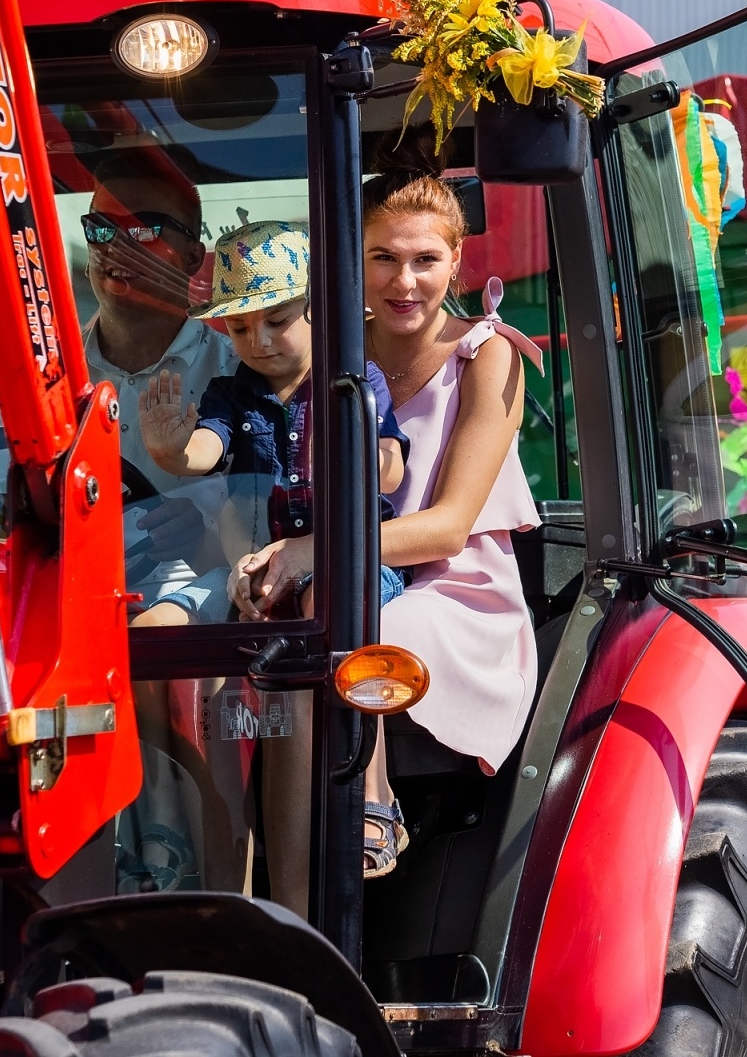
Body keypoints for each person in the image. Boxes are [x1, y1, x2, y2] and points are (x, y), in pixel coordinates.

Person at [231, 135, 543, 878]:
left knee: (352, 629)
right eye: (384, 258)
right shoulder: (338, 352)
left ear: (455, 263)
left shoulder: (486, 354)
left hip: (455, 598)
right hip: (347, 580)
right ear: (355, 262)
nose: (405, 281)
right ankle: (268, 898)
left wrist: (315, 551)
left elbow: (450, 525)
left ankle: (363, 821)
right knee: (251, 657)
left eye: (425, 260)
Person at [0, 147, 235, 592]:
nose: (115, 247)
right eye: (100, 229)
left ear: (194, 258)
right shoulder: (38, 374)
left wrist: (202, 537)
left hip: (202, 630)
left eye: (142, 229)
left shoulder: (237, 375)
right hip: (56, 607)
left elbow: (267, 530)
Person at [133, 219, 408, 626]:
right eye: (239, 327)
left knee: (323, 611)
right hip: (252, 570)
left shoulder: (354, 385)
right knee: (152, 629)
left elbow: (390, 474)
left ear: (320, 309)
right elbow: (205, 450)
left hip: (344, 564)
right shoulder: (229, 393)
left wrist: (346, 451)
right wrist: (170, 451)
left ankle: (299, 694)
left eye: (277, 322)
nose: (258, 342)